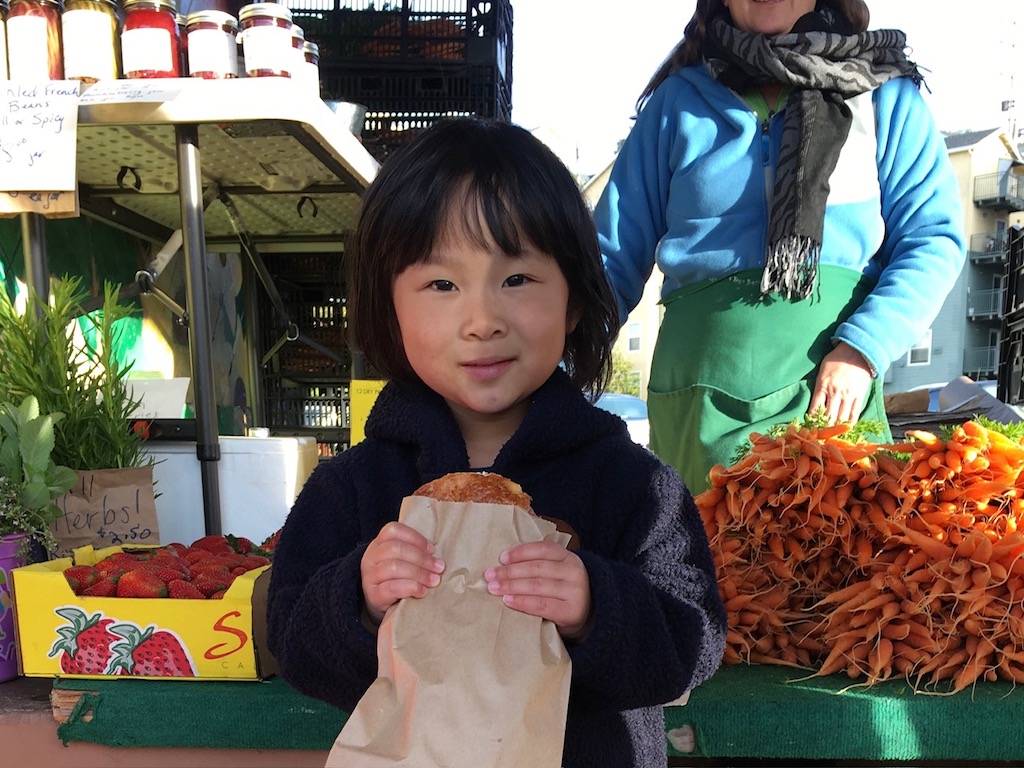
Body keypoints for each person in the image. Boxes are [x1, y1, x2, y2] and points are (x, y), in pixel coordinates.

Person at [265, 118, 727, 768]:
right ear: (390, 310)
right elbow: (292, 642)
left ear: (572, 300)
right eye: (441, 285)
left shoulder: (633, 484)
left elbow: (693, 645)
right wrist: (357, 597)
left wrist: (598, 605)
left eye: (517, 279)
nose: (482, 321)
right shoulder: (353, 488)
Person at [593, 0, 966, 493]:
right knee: (693, 565)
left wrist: (862, 350)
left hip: (833, 404)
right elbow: (607, 261)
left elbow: (932, 240)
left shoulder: (884, 98)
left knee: (845, 561)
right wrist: (553, 371)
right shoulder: (675, 104)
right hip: (696, 417)